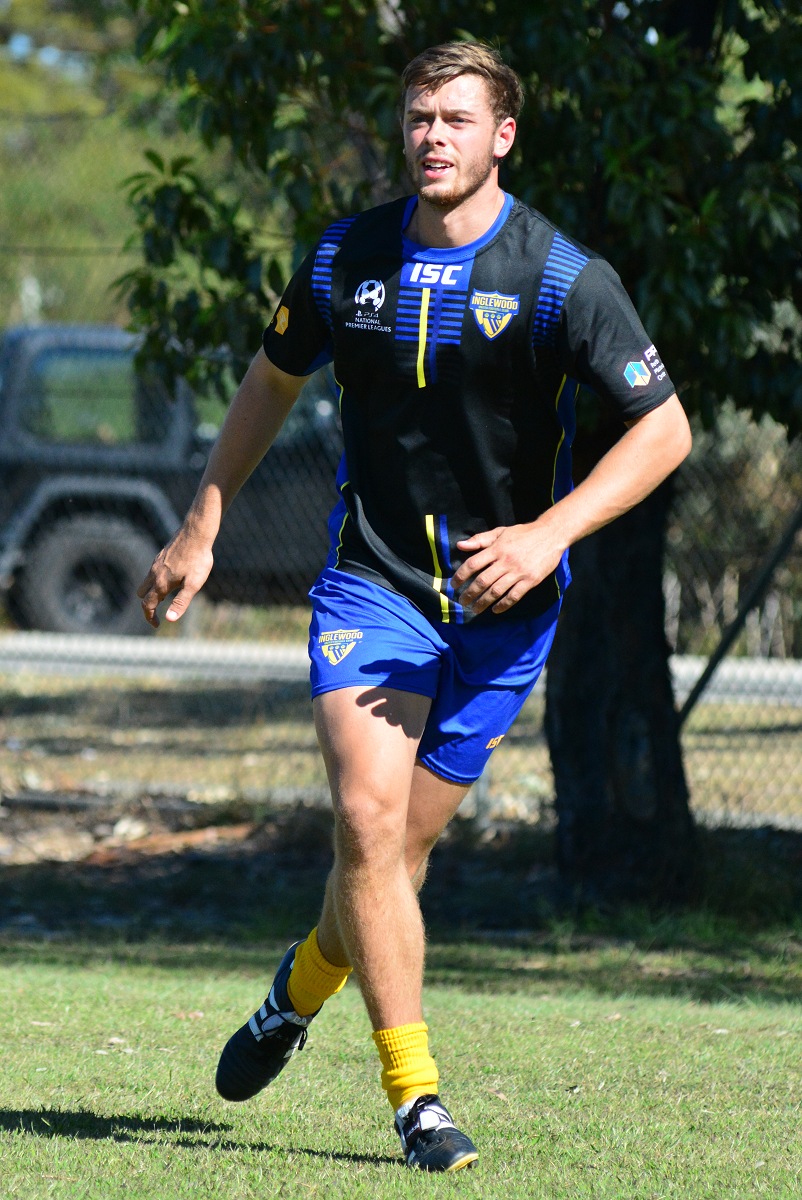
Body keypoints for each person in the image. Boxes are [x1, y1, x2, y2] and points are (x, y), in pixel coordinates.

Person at [137, 41, 692, 1173]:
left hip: (504, 611)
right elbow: (271, 377)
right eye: (415, 117)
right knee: (366, 827)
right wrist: (204, 519)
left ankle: (296, 991)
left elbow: (666, 428)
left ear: (503, 136)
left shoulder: (558, 277)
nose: (429, 135)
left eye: (454, 117)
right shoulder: (347, 258)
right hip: (372, 586)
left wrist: (548, 535)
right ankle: (416, 1101)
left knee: (394, 857)